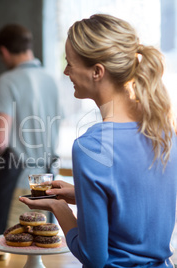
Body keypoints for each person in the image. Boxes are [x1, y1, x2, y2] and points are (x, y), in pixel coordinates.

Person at [20, 14, 177, 267]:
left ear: (97, 72)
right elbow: (137, 200)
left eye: (70, 63)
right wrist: (79, 194)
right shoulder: (165, 131)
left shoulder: (91, 147)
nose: (65, 71)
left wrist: (60, 209)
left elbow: (94, 258)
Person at [0, 24, 61, 234]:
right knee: (42, 244)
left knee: (12, 248)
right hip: (48, 181)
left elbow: (0, 140)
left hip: (20, 182)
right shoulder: (52, 80)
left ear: (4, 51)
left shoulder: (6, 81)